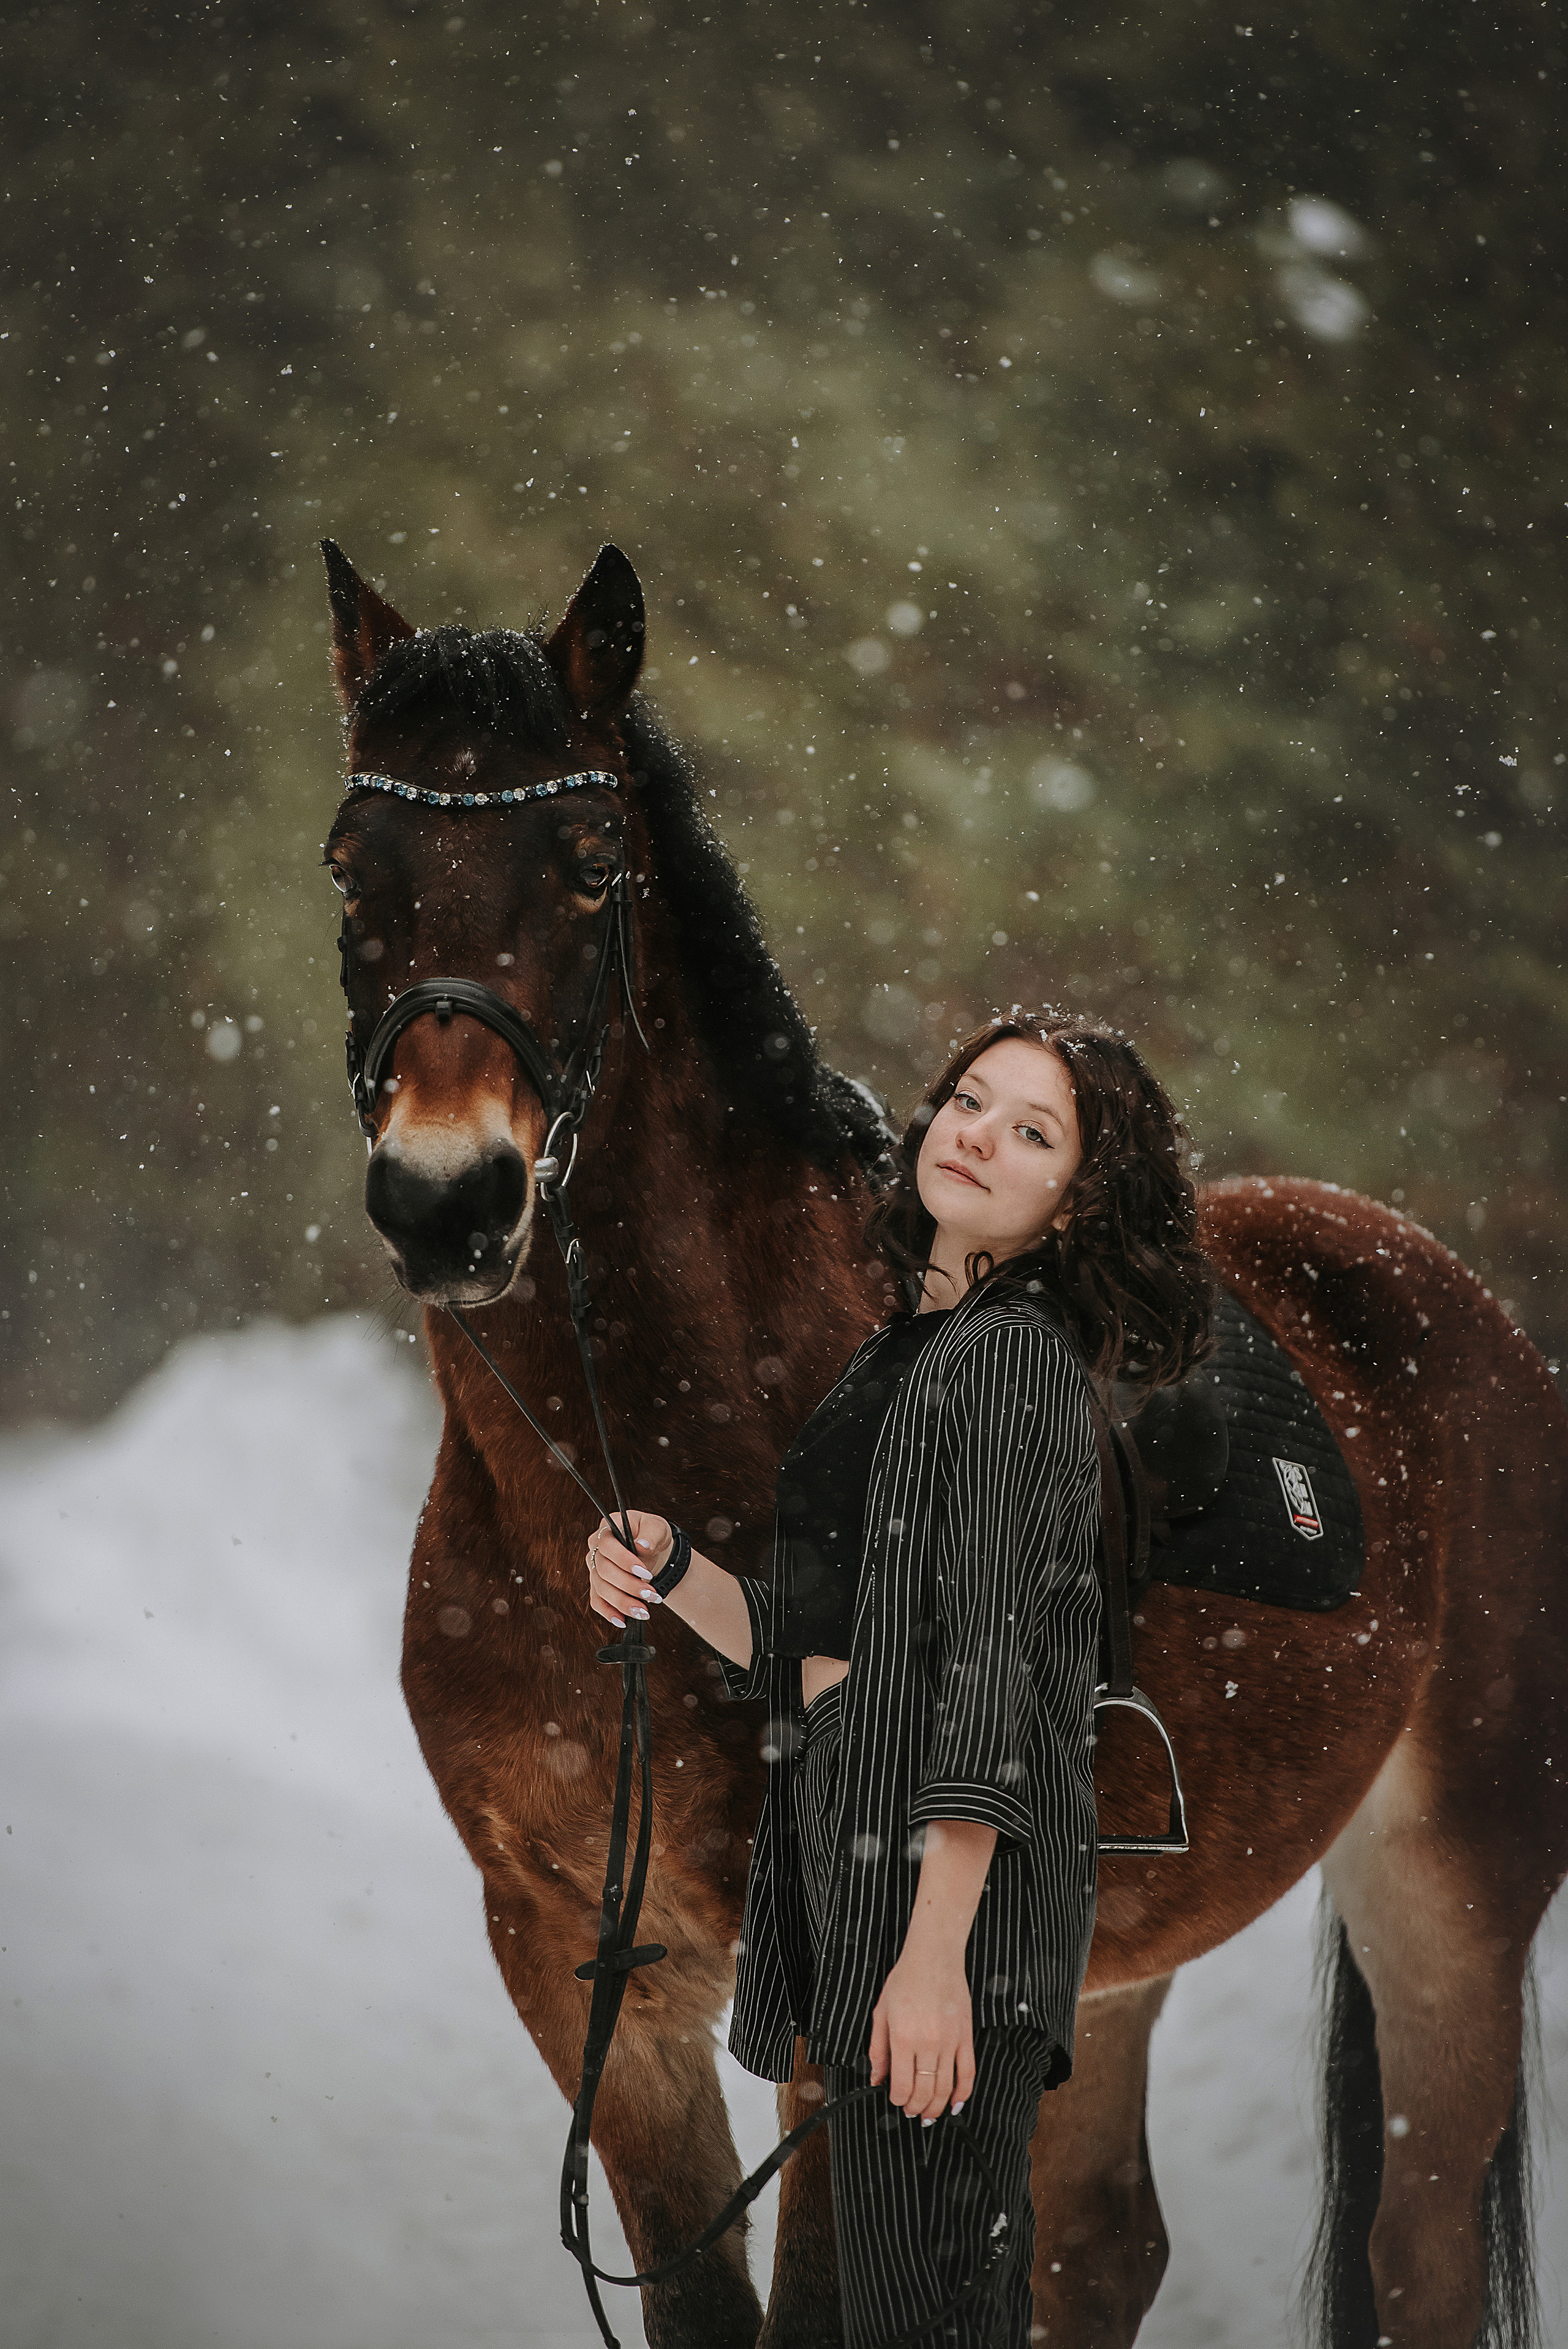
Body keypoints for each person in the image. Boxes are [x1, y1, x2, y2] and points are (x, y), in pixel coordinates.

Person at [585, 1010, 1213, 2345]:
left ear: (1072, 1200)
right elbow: (807, 1638)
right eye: (969, 1100)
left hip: (942, 1899)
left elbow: (993, 1675)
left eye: (1032, 1131)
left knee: (924, 2312)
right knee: (894, 2303)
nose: (978, 1135)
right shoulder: (907, 1351)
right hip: (860, 1848)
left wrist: (932, 1962)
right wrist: (671, 1567)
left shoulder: (1010, 1361)